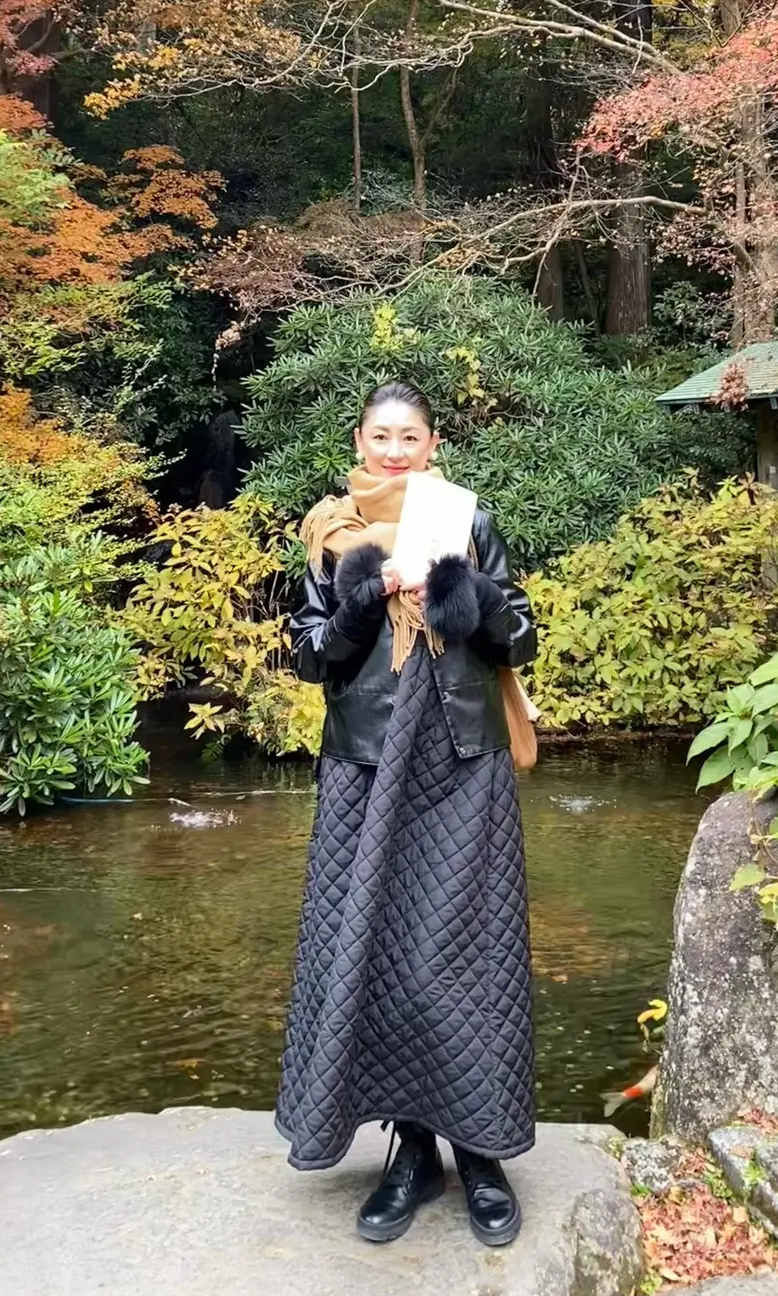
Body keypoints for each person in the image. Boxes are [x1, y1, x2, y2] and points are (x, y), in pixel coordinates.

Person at [274, 381, 537, 1248]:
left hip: (463, 761)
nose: (394, 450)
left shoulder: (470, 521)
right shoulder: (328, 530)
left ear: (433, 445)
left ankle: (483, 1154)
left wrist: (460, 591)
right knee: (378, 953)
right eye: (381, 436)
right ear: (360, 439)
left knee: (468, 958)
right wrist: (366, 593)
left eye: (410, 437)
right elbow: (312, 659)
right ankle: (413, 1152)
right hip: (366, 768)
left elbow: (521, 637)